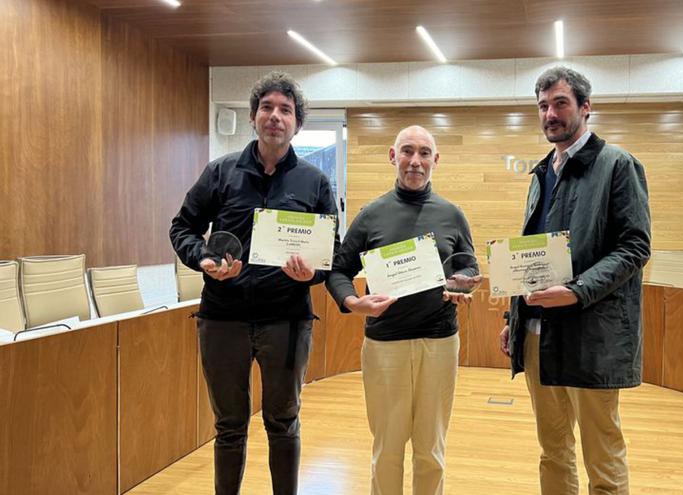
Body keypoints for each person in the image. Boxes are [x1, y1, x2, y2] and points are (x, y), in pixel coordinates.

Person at [170, 71, 338, 495]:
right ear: (252, 117)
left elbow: (330, 252)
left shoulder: (315, 182)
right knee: (229, 426)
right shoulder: (220, 172)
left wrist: (311, 273)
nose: (275, 116)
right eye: (267, 108)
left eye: (285, 110)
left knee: (283, 422)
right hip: (223, 318)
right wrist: (204, 258)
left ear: (297, 123)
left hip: (287, 320)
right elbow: (183, 228)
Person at [499, 66, 651, 495]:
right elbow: (533, 255)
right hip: (536, 334)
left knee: (602, 455)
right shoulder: (542, 172)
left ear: (586, 107)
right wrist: (514, 317)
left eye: (560, 103)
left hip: (592, 336)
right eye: (543, 105)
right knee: (553, 450)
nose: (550, 113)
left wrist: (575, 291)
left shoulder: (618, 165)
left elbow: (634, 248)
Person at [327, 125, 478, 495]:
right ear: (393, 157)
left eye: (424, 153)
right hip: (385, 346)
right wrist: (352, 301)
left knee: (431, 451)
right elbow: (338, 271)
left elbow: (470, 266)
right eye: (407, 151)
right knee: (387, 451)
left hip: (439, 344)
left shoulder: (452, 214)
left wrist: (462, 281)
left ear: (435, 160)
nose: (415, 161)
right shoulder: (371, 214)